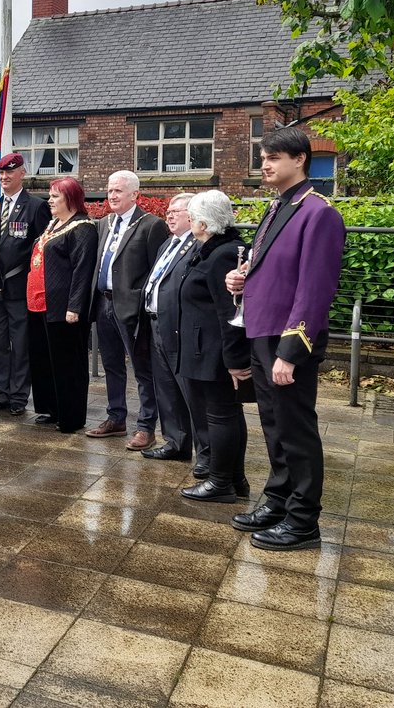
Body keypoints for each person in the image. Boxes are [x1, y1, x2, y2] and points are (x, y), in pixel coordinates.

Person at [226, 126, 346, 550]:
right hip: (261, 330)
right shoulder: (278, 207)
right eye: (263, 157)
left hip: (286, 340)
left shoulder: (319, 212)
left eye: (274, 157)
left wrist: (291, 352)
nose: (265, 164)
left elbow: (315, 289)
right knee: (274, 426)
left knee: (296, 430)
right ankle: (277, 499)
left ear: (299, 160)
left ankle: (302, 520)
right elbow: (272, 268)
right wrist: (242, 280)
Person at [170, 190, 253, 502]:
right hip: (203, 348)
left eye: (191, 218)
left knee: (221, 415)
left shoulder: (224, 255)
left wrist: (235, 360)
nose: (189, 222)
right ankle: (234, 479)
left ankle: (221, 482)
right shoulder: (212, 250)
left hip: (214, 352)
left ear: (203, 224)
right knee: (225, 414)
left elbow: (230, 312)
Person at [87, 170, 169, 446]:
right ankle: (116, 417)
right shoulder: (104, 224)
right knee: (111, 364)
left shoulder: (151, 226)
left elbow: (156, 270)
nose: (112, 195)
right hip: (103, 304)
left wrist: (138, 299)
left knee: (142, 368)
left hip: (132, 309)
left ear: (135, 194)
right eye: (110, 190)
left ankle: (146, 425)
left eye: (118, 191)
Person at [26, 177, 97, 433]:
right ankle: (52, 408)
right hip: (40, 304)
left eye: (55, 196)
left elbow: (82, 270)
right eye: (50, 195)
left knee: (68, 364)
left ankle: (71, 416)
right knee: (45, 360)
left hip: (63, 308)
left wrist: (75, 307)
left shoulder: (82, 228)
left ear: (70, 199)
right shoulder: (54, 224)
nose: (50, 201)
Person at [0, 152, 51, 417]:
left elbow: (42, 248)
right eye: (1, 174)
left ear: (22, 173)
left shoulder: (35, 206)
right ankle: (2, 391)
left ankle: (19, 396)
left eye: (9, 173)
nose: (4, 178)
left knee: (20, 344)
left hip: (21, 288)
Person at [141, 193, 207, 466]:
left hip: (180, 327)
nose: (169, 215)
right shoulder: (168, 243)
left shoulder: (197, 245)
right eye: (168, 210)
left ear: (192, 216)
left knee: (190, 392)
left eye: (176, 211)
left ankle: (206, 455)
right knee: (165, 386)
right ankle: (175, 442)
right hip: (157, 321)